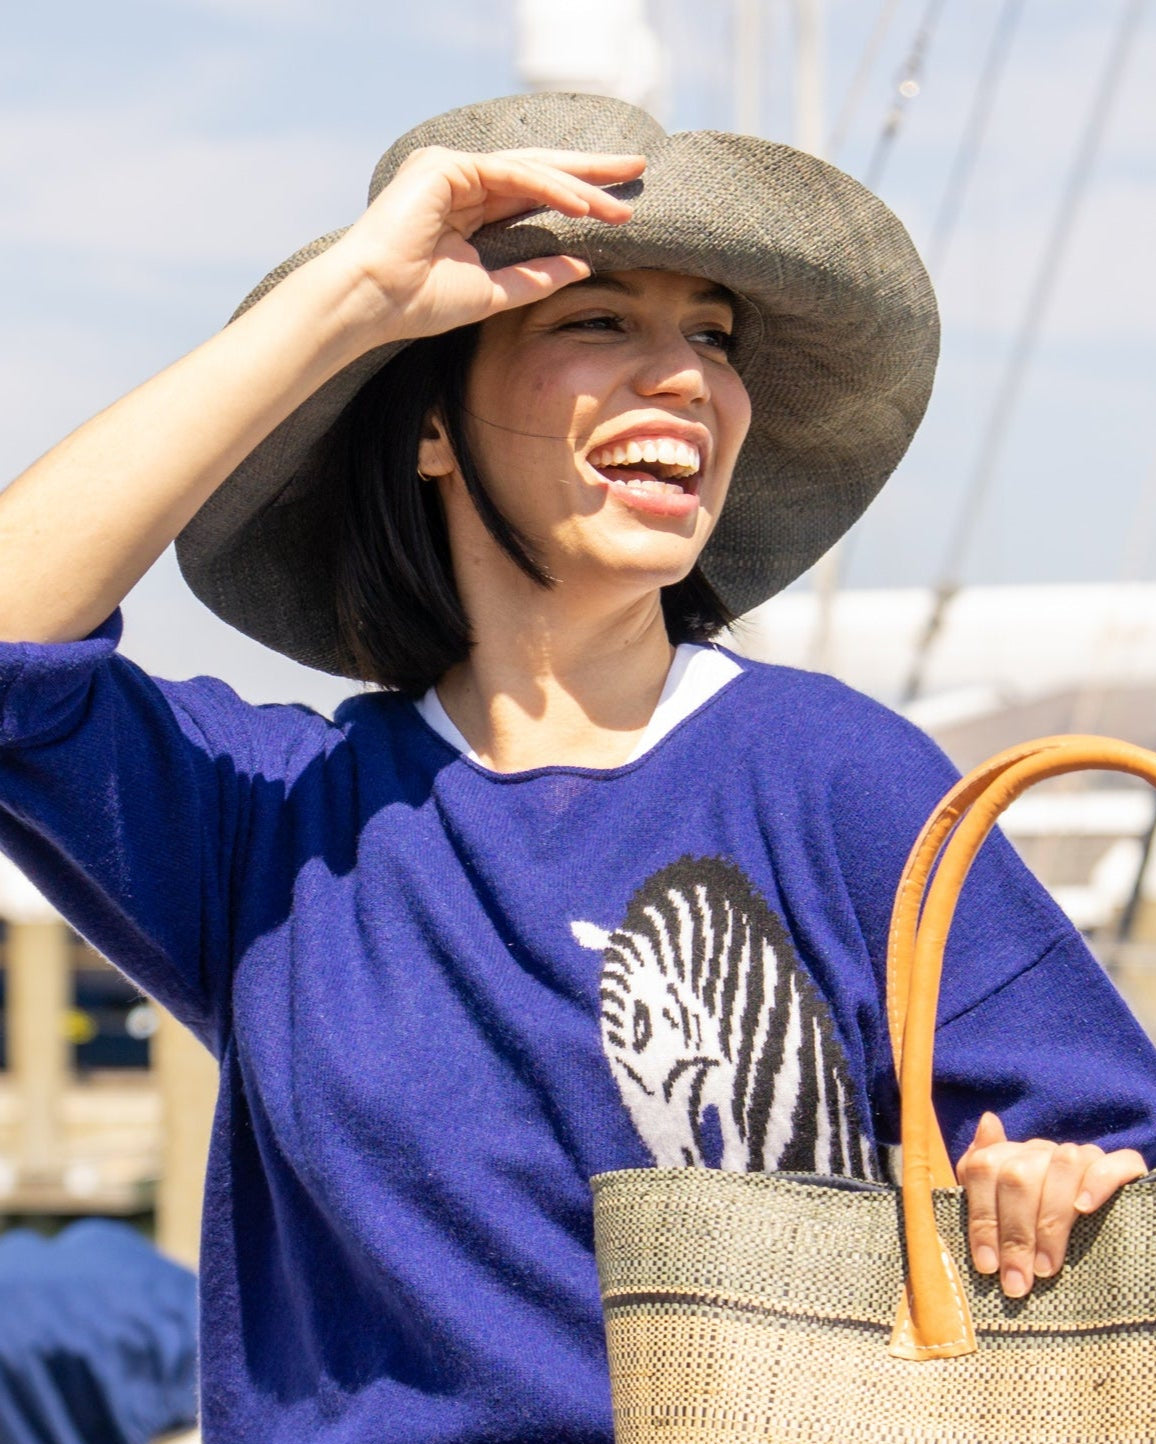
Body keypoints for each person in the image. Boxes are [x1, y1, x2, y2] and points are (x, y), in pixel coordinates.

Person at [0, 92, 1152, 1444]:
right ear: (429, 425)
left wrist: (1061, 1181)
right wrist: (354, 297)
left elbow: (1110, 1145)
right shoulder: (273, 819)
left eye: (712, 336)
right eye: (594, 320)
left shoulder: (839, 778)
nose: (686, 378)